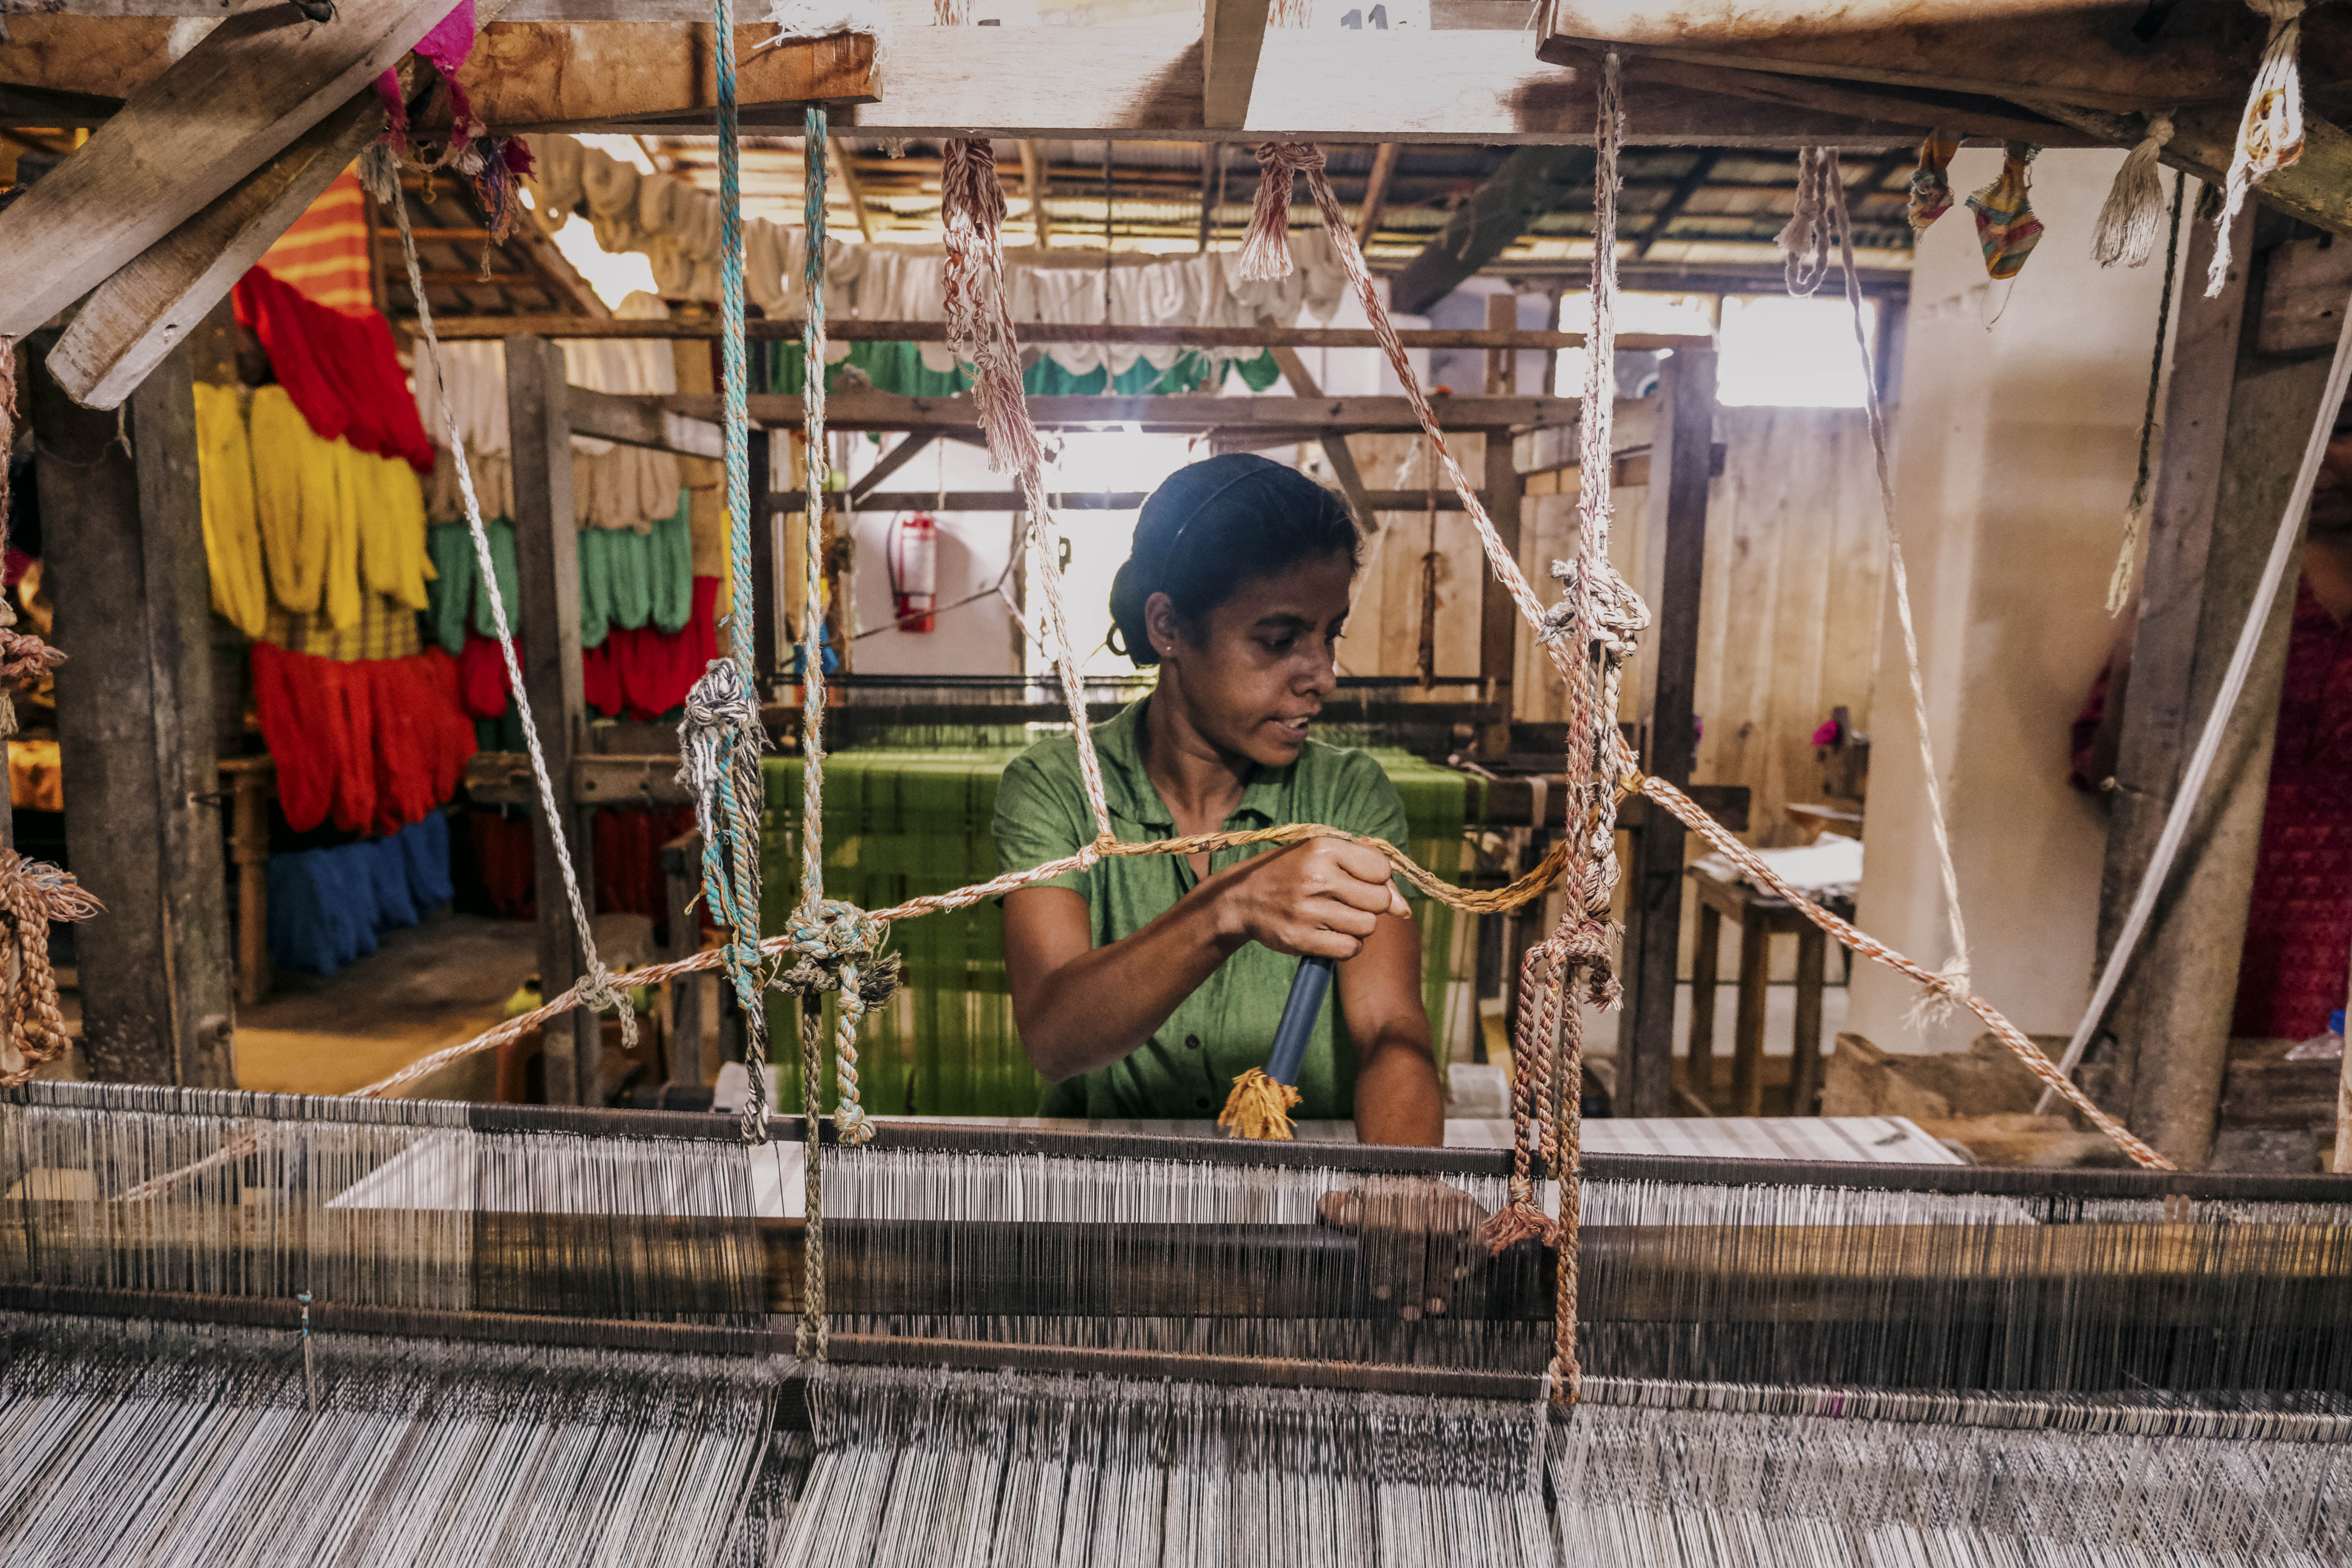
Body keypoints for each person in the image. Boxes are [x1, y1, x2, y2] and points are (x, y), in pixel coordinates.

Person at [992, 454, 1447, 1145]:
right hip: (1110, 1188)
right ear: (1168, 626)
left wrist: (1403, 1183)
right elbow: (1055, 1040)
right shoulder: (1057, 787)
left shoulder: (1348, 796)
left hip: (1303, 1187)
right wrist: (1230, 907)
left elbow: (1390, 1027)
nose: (1323, 675)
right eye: (1279, 640)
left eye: (1330, 635)